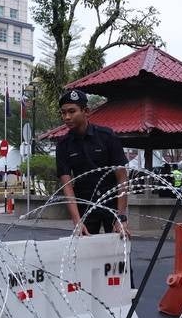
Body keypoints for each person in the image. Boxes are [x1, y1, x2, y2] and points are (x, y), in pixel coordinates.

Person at [54, 89, 130, 237]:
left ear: (86, 111)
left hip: (111, 203)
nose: (67, 117)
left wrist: (121, 217)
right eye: (63, 113)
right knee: (85, 249)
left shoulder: (107, 136)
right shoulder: (63, 145)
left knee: (118, 247)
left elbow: (122, 178)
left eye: (72, 111)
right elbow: (67, 185)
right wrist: (77, 221)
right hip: (85, 206)